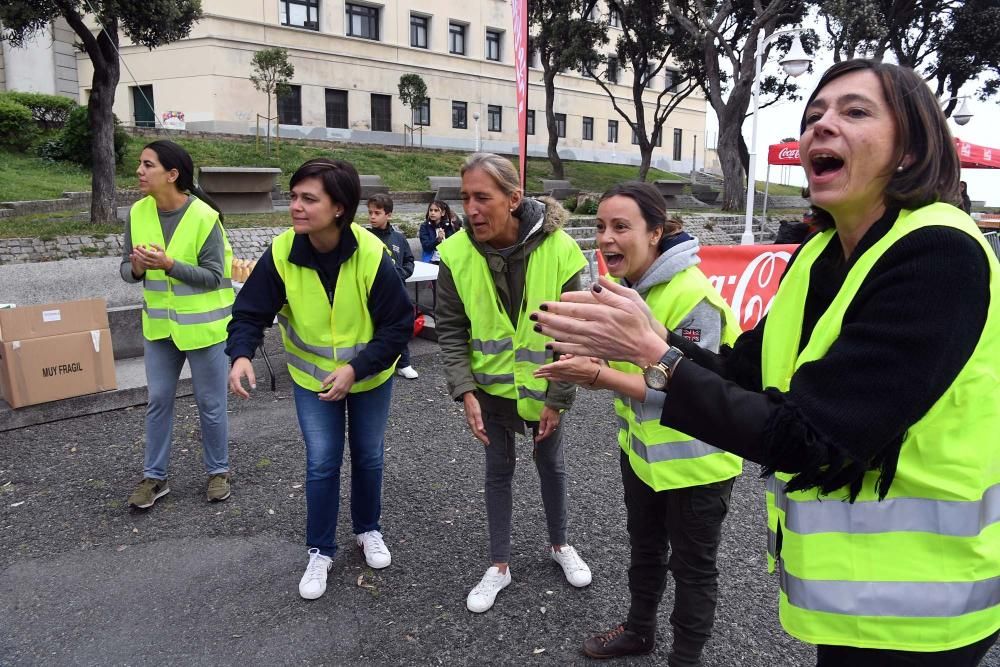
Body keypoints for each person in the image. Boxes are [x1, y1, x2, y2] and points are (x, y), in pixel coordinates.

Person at [532, 59, 999, 665]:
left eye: (854, 111)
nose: (820, 127)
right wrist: (653, 343)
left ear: (911, 148)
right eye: (813, 116)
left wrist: (654, 356)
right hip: (863, 598)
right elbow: (744, 369)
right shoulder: (820, 256)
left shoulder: (940, 252)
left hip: (928, 605)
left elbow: (810, 438)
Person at [535, 182, 743, 665]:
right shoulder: (628, 290)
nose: (606, 239)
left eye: (621, 227)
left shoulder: (694, 296)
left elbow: (688, 387)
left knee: (693, 568)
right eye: (602, 226)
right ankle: (639, 630)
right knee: (645, 550)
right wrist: (585, 354)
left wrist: (598, 375)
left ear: (655, 233)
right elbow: (629, 363)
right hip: (643, 456)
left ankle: (685, 659)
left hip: (699, 466)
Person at [226, 158, 412, 601]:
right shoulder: (282, 252)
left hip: (368, 378)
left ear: (339, 208)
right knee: (322, 461)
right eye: (293, 197)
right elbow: (250, 311)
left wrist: (355, 369)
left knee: (368, 456)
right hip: (312, 382)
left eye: (309, 199)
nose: (296, 207)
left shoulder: (372, 256)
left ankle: (368, 529)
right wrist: (240, 355)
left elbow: (398, 326)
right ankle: (320, 551)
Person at [435, 152, 593, 614]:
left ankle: (560, 545)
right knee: (498, 472)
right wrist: (465, 391)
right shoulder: (455, 255)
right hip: (490, 392)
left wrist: (558, 398)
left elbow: (574, 328)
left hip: (547, 384)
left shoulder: (560, 248)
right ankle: (498, 566)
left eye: (483, 197)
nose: (472, 209)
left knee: (552, 465)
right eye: (465, 198)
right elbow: (450, 330)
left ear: (514, 199)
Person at [121, 139, 234, 509]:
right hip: (159, 328)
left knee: (211, 404)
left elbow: (216, 276)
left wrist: (169, 266)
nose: (139, 171)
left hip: (204, 329)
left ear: (172, 174)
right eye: (140, 164)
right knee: (157, 400)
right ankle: (155, 478)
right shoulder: (137, 213)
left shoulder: (204, 217)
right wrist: (137, 267)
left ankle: (218, 472)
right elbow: (126, 269)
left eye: (148, 165)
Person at [367, 192, 419, 380]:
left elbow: (409, 261)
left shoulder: (399, 238)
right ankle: (374, 364)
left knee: (398, 326)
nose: (372, 216)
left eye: (377, 213)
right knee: (372, 328)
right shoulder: (364, 238)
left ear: (388, 215)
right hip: (372, 293)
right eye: (370, 212)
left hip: (397, 292)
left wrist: (401, 275)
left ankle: (403, 363)